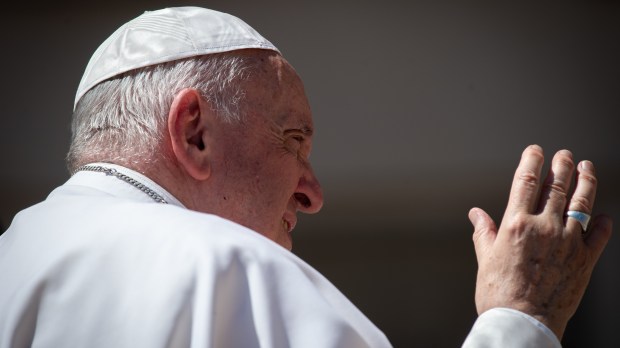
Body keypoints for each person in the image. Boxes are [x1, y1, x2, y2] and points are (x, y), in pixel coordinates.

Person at [0, 6, 611, 348]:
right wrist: (520, 318)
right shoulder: (231, 271)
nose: (313, 194)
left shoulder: (12, 261)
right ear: (194, 133)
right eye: (293, 140)